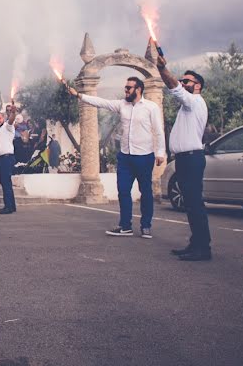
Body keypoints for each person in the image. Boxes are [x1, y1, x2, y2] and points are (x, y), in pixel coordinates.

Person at [66, 76, 166, 238]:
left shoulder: (151, 107)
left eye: (129, 88)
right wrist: (79, 95)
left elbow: (159, 131)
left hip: (144, 157)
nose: (125, 90)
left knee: (146, 192)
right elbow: (101, 102)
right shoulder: (122, 105)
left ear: (138, 89)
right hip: (125, 157)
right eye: (125, 87)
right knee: (123, 191)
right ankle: (125, 226)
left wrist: (160, 153)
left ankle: (146, 226)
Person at [156, 49, 211, 261]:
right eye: (182, 80)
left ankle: (203, 248)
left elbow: (174, 88)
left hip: (192, 158)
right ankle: (195, 243)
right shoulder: (186, 106)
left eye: (187, 81)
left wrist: (162, 67)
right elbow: (174, 87)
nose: (182, 82)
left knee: (195, 203)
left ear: (197, 85)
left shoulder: (195, 101)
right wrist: (161, 70)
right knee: (190, 204)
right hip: (184, 159)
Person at [0, 104, 18, 215]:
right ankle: (11, 206)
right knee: (5, 182)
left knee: (5, 182)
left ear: (3, 118)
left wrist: (13, 113)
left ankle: (8, 206)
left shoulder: (7, 127)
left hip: (6, 158)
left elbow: (11, 120)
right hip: (1, 159)